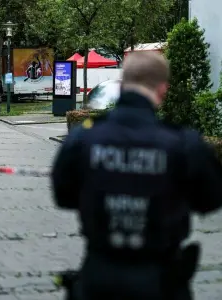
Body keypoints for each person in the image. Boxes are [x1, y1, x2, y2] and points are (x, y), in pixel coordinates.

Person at [51, 51, 222, 300]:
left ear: (121, 85)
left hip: (99, 278)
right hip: (160, 281)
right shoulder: (183, 144)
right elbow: (211, 200)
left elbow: (63, 195)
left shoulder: (84, 139)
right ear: (163, 90)